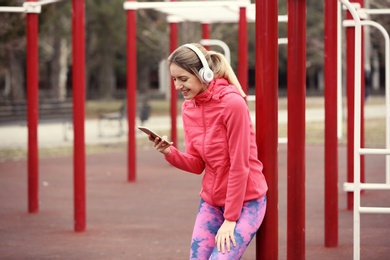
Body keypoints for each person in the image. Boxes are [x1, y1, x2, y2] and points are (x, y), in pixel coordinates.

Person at [149, 43, 268, 259]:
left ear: (203, 73)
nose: (177, 86)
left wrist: (231, 219)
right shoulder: (188, 107)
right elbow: (197, 164)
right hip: (212, 201)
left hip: (246, 202)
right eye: (174, 79)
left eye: (183, 79)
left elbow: (240, 166)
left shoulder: (232, 104)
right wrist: (170, 153)